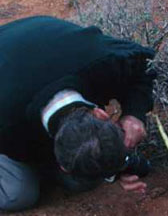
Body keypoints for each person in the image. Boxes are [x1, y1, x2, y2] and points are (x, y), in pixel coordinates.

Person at [0, 15, 157, 212]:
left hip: (43, 44)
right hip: (9, 90)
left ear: (101, 114)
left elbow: (144, 64)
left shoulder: (103, 62)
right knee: (18, 192)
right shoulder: (8, 127)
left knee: (83, 178)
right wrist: (110, 170)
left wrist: (135, 113)